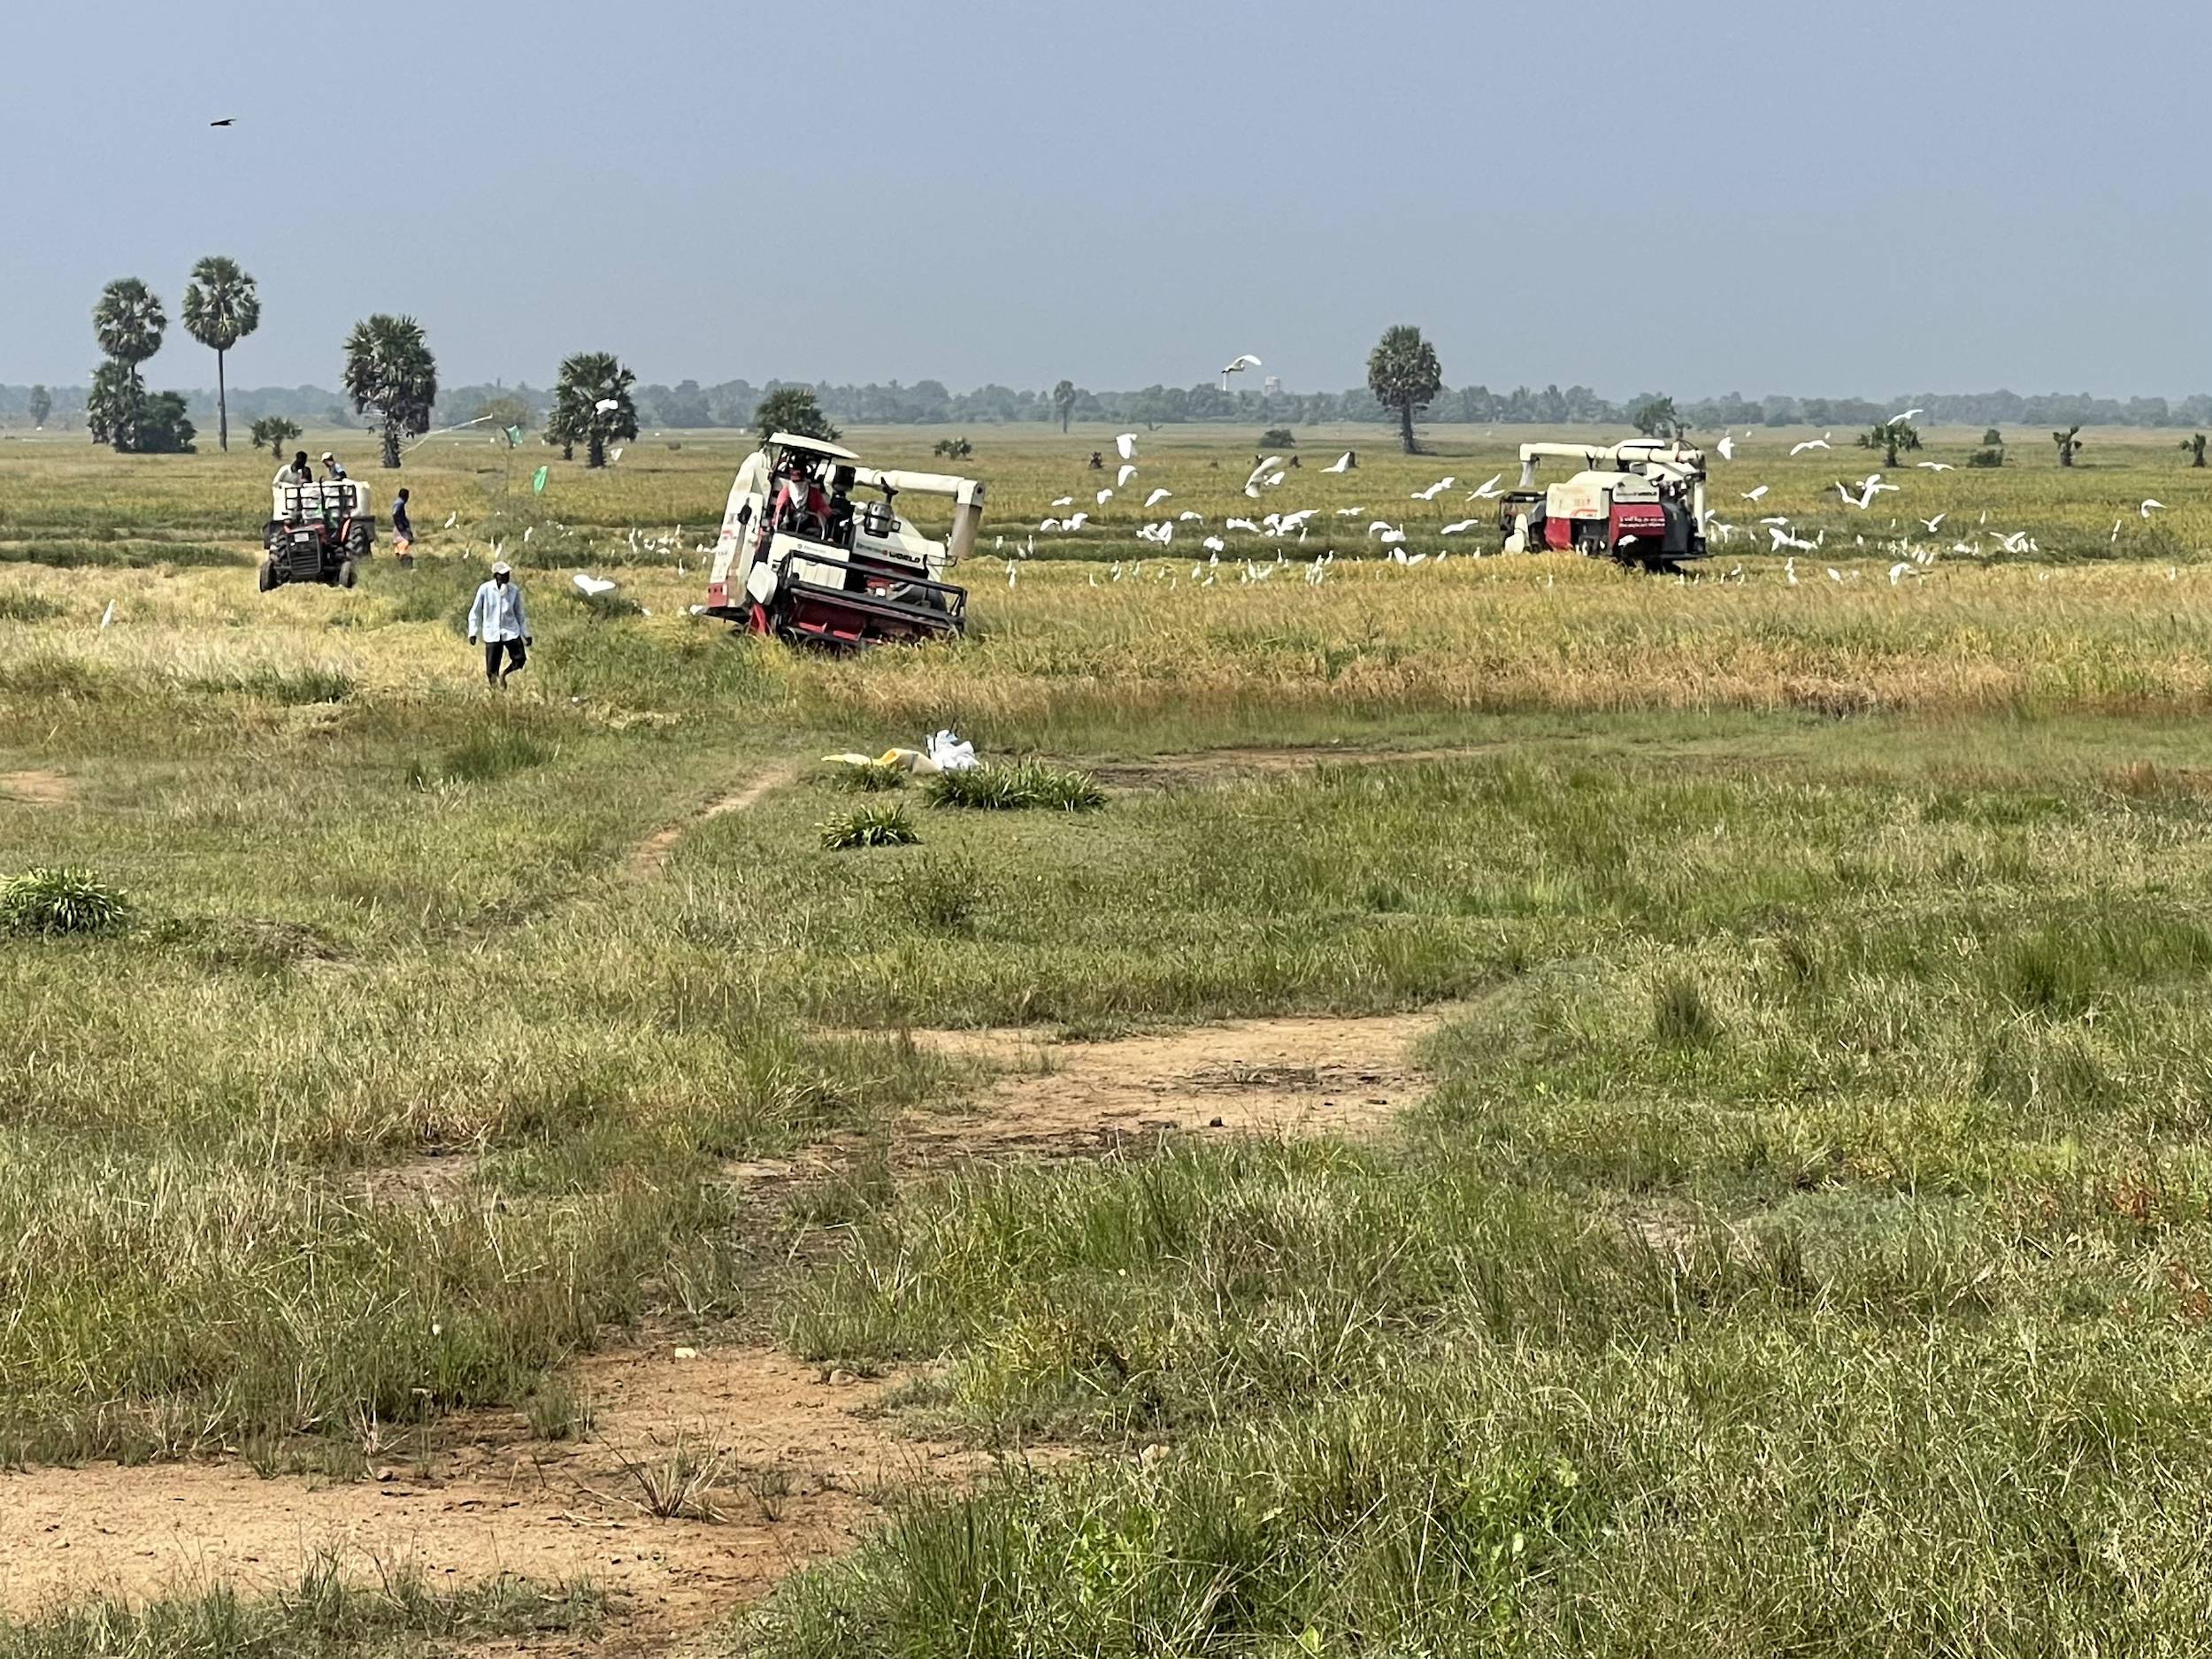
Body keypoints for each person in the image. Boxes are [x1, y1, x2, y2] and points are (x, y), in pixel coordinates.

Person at [466, 561, 531, 687]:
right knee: (491, 669)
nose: (507, 576)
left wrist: (526, 634)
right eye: (503, 574)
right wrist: (473, 632)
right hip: (492, 632)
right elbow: (475, 611)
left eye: (508, 573)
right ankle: (495, 692)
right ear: (496, 575)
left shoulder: (513, 590)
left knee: (520, 659)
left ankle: (505, 675)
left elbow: (520, 614)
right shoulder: (485, 589)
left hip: (510, 630)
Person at [391, 488, 415, 565]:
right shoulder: (400, 503)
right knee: (405, 543)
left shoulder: (397, 502)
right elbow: (395, 513)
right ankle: (405, 562)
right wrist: (401, 526)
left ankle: (400, 562)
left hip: (397, 528)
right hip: (401, 528)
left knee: (398, 545)